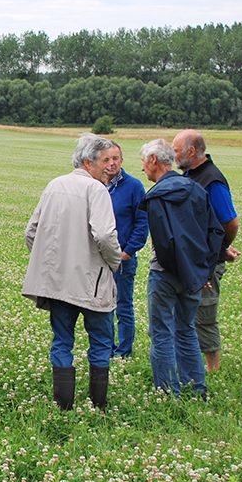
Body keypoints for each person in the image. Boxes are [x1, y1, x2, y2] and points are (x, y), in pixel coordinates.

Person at [22, 134, 123, 410]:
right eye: (104, 161)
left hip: (57, 283)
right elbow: (103, 235)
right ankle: (98, 404)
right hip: (92, 282)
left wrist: (53, 261)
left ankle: (63, 405)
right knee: (101, 342)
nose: (110, 167)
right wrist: (115, 262)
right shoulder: (96, 189)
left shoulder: (54, 185)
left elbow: (31, 232)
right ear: (88, 161)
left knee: (62, 342)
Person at [139, 139, 224, 398]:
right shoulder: (196, 189)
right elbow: (215, 231)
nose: (143, 169)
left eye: (144, 162)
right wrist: (202, 271)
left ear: (154, 160)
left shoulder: (155, 196)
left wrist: (178, 268)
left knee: (162, 333)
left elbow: (164, 244)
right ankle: (196, 388)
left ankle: (167, 392)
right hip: (194, 276)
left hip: (165, 274)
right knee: (186, 329)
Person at [173, 129, 241, 373]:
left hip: (205, 260)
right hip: (190, 256)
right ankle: (187, 362)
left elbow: (230, 222)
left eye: (177, 150)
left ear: (191, 151)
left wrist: (220, 249)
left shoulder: (212, 180)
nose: (174, 155)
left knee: (205, 312)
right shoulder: (192, 175)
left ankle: (213, 369)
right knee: (183, 312)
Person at [103, 140, 149, 360]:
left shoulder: (134, 186)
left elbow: (142, 222)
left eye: (115, 158)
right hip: (99, 258)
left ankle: (124, 351)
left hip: (123, 258)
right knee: (102, 306)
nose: (111, 163)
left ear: (122, 160)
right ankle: (106, 347)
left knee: (123, 305)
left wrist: (128, 252)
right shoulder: (95, 184)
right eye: (107, 159)